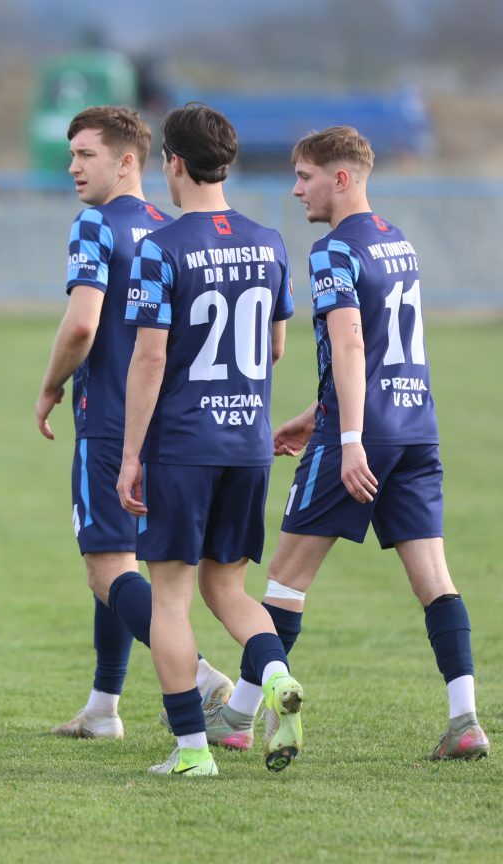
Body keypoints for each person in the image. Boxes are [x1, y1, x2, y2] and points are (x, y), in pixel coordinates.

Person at [206, 126, 488, 760]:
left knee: (285, 579)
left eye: (304, 176)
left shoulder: (334, 250)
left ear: (341, 178)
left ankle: (239, 716)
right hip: (416, 428)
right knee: (435, 580)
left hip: (360, 437)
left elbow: (353, 344)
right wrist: (316, 413)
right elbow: (385, 352)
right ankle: (465, 719)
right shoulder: (398, 241)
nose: (296, 188)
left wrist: (348, 437)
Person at [34, 106, 232, 740]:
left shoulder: (96, 223)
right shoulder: (171, 230)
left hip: (110, 422)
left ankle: (199, 676)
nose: (73, 167)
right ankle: (103, 708)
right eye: (71, 154)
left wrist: (51, 384)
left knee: (107, 568)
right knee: (125, 564)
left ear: (127, 162)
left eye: (85, 155)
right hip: (172, 429)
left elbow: (82, 324)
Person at [118, 103, 302, 777]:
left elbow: (149, 358)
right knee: (229, 589)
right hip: (248, 442)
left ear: (172, 162)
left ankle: (193, 752)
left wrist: (130, 455)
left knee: (170, 598)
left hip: (183, 444)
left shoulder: (160, 248)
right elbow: (276, 347)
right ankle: (276, 678)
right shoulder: (269, 241)